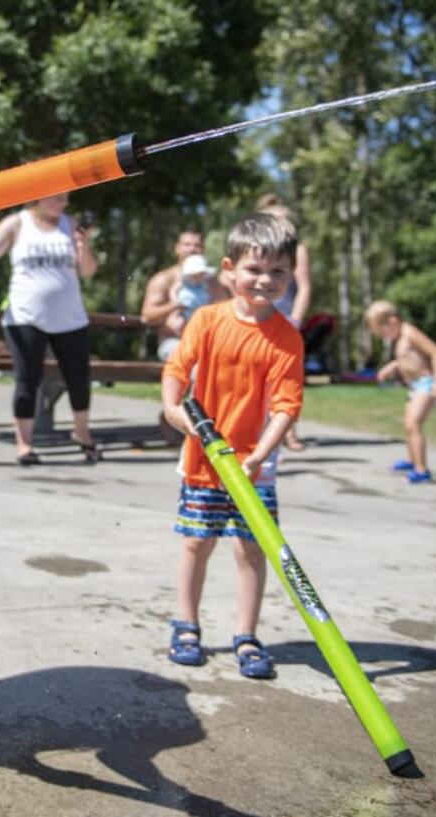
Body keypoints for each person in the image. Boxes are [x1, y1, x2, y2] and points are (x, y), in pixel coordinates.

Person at [160, 213, 303, 679]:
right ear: (229, 268)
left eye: (278, 271)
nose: (265, 280)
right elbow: (176, 371)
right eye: (254, 269)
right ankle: (186, 625)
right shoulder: (206, 320)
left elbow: (286, 405)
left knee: (249, 550)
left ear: (291, 275)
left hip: (255, 466)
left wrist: (260, 455)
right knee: (196, 543)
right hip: (203, 461)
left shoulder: (287, 339)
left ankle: (246, 633)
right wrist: (173, 411)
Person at [0, 193, 100, 465]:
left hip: (70, 318)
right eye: (57, 198)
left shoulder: (71, 223)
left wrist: (82, 243)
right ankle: (25, 445)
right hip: (25, 316)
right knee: (27, 379)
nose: (63, 203)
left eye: (66, 198)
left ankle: (83, 434)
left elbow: (88, 270)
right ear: (40, 196)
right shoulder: (17, 223)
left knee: (78, 378)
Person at [365, 299, 436, 484]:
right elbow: (408, 359)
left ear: (392, 321)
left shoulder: (410, 333)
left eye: (382, 331)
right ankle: (412, 460)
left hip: (426, 384)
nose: (383, 336)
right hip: (415, 387)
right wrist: (392, 367)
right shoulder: (400, 337)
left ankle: (421, 470)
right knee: (408, 424)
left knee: (414, 424)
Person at [256, 193, 313, 451]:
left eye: (286, 220)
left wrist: (296, 319)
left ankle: (289, 432)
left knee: (286, 377)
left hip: (285, 318)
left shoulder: (297, 250)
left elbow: (304, 287)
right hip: (257, 316)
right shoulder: (256, 248)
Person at [142, 230, 228, 361]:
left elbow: (226, 313)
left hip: (207, 342)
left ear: (203, 250)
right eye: (187, 244)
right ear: (177, 248)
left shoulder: (211, 283)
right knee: (190, 360)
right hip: (174, 341)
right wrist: (176, 305)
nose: (192, 249)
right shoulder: (164, 279)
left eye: (197, 245)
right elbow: (148, 316)